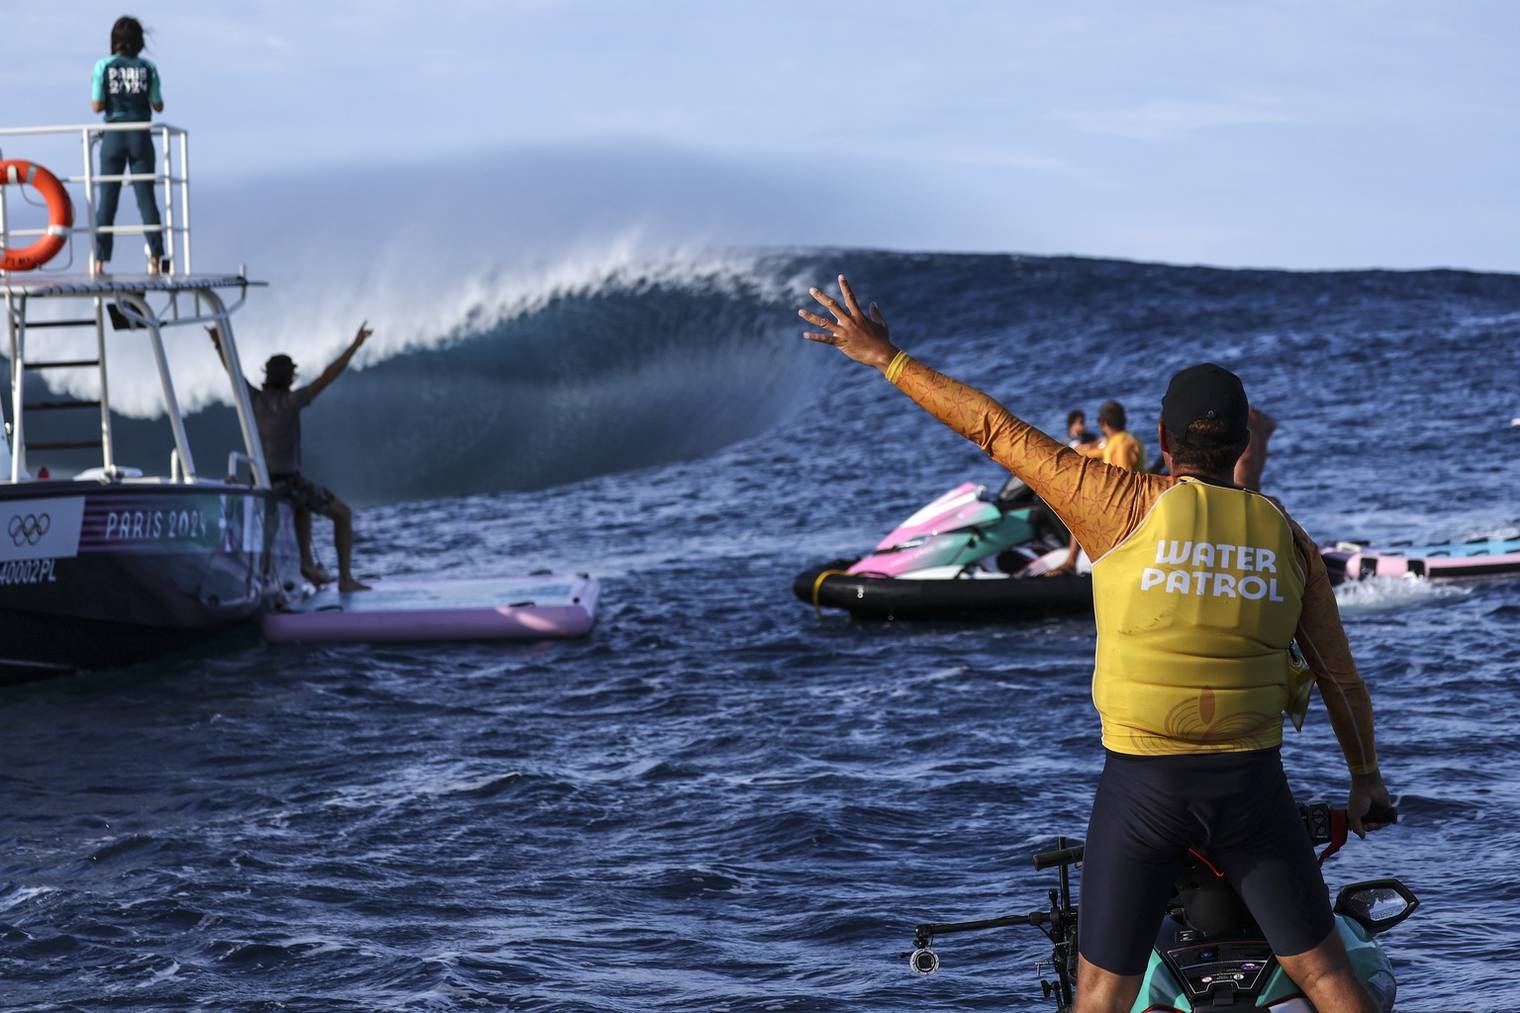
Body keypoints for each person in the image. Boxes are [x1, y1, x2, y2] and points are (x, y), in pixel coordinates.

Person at [800, 276, 1390, 1013]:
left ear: (1165, 443)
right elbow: (1339, 677)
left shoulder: (1115, 501)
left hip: (1146, 790)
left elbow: (993, 427)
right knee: (1330, 978)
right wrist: (1365, 778)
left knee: (1100, 996)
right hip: (1251, 789)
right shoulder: (1288, 535)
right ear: (1243, 445)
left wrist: (886, 358)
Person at [209, 323, 373, 591]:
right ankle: (344, 579)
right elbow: (327, 376)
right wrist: (355, 346)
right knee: (342, 514)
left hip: (259, 484)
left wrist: (218, 342)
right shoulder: (293, 401)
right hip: (287, 484)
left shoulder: (253, 399)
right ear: (291, 378)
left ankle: (305, 566)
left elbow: (232, 371)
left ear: (267, 376)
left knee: (300, 506)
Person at [90, 16, 167, 275]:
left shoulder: (103, 66)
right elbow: (158, 105)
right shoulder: (148, 68)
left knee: (107, 200)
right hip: (140, 136)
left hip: (113, 135)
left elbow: (97, 105)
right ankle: (156, 256)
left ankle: (99, 261)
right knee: (146, 199)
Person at [1048, 400, 1146, 575]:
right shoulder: (1124, 440)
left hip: (1123, 508)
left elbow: (1124, 479)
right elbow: (1096, 451)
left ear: (1102, 422)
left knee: (1080, 509)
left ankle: (1071, 562)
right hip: (1130, 501)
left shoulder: (1120, 445)